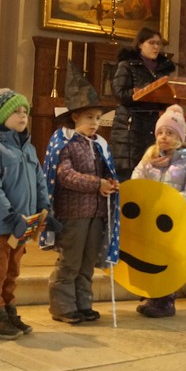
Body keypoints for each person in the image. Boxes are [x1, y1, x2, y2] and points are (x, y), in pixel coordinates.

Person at [0, 82, 61, 340]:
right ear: (0, 116)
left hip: (24, 222)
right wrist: (10, 216)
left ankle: (8, 308)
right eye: (16, 111)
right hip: (1, 222)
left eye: (25, 111)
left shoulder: (27, 148)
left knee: (13, 270)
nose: (23, 116)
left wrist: (44, 208)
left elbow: (39, 180)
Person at [43, 61, 119, 324]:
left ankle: (83, 304)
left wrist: (110, 183)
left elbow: (107, 172)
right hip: (73, 214)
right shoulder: (64, 142)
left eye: (98, 118)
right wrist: (97, 184)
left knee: (87, 263)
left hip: (96, 214)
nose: (95, 123)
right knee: (70, 262)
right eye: (89, 118)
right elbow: (65, 175)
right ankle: (62, 306)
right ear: (75, 116)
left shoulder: (99, 145)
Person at [130, 104, 186, 317]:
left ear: (180, 138)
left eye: (170, 133)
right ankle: (152, 296)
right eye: (160, 132)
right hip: (149, 219)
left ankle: (166, 302)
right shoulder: (148, 162)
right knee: (150, 255)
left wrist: (170, 203)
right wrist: (145, 200)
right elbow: (136, 182)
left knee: (168, 260)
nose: (164, 136)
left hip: (173, 221)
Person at [110, 26, 175, 181]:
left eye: (158, 43)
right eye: (152, 43)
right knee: (129, 178)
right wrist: (140, 92)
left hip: (153, 127)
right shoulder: (127, 65)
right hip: (131, 129)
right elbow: (119, 93)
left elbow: (165, 97)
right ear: (140, 44)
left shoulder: (162, 70)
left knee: (150, 177)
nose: (156, 47)